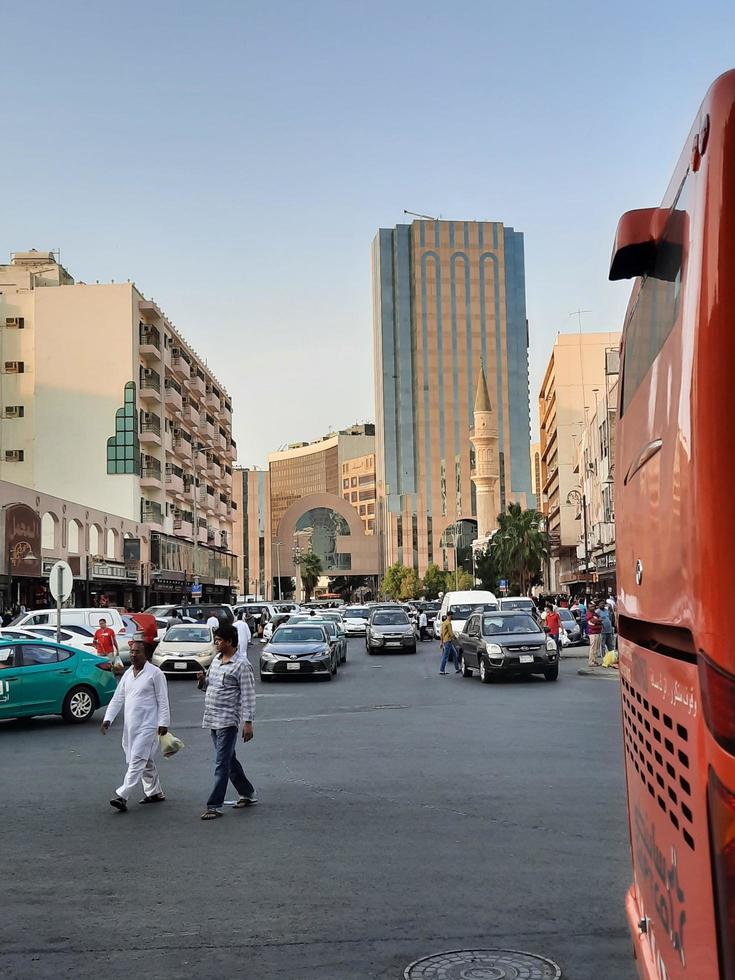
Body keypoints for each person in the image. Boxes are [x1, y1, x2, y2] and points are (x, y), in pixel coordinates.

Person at [100, 638, 170, 811]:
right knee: (143, 759)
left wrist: (163, 722)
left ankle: (122, 795)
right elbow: (118, 698)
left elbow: (163, 700)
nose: (132, 655)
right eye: (131, 651)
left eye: (137, 652)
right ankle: (154, 792)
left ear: (145, 654)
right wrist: (107, 718)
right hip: (131, 726)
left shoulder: (155, 673)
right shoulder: (128, 673)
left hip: (149, 725)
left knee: (137, 759)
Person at [197, 624, 257, 820]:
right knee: (228, 759)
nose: (216, 644)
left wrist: (248, 723)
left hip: (228, 720)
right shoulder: (216, 660)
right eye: (216, 640)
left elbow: (248, 696)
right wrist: (201, 681)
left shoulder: (242, 665)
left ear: (230, 642)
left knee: (221, 763)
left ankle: (214, 805)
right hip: (212, 718)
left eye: (219, 641)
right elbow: (210, 687)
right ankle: (246, 792)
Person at [586, 602, 603, 666]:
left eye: (593, 606)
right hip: (592, 633)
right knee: (593, 647)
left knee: (597, 647)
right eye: (591, 607)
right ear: (588, 608)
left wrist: (597, 620)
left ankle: (594, 660)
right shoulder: (589, 614)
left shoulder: (595, 613)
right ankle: (591, 662)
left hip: (598, 632)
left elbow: (600, 619)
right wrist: (598, 620)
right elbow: (593, 621)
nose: (593, 608)